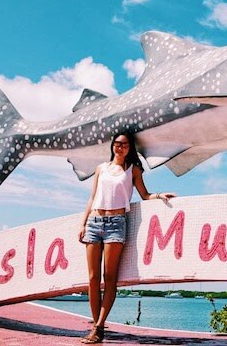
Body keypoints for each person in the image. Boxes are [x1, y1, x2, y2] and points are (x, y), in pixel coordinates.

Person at [78, 132, 175, 344]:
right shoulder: (101, 169)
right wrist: (83, 223)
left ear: (130, 148)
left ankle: (98, 327)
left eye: (125, 144)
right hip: (95, 222)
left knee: (109, 277)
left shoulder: (133, 170)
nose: (120, 147)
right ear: (112, 145)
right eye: (117, 143)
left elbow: (144, 195)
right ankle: (97, 327)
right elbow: (92, 197)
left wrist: (159, 196)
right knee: (93, 278)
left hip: (116, 224)